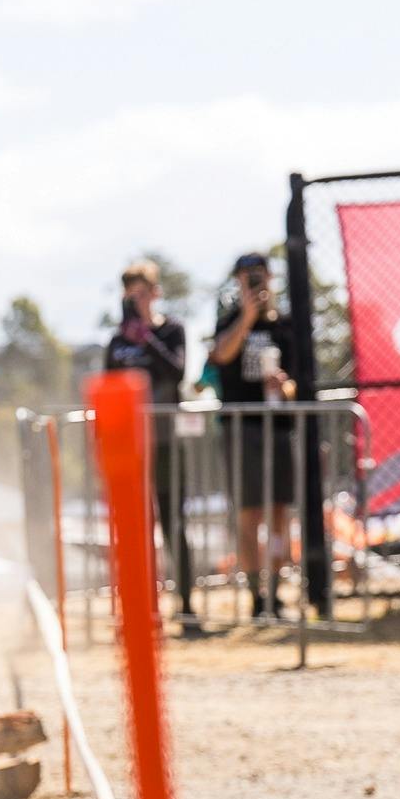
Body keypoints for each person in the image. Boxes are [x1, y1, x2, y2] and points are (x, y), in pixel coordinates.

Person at [207, 251, 300, 620]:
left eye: (259, 276)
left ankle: (277, 592)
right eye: (246, 278)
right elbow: (220, 356)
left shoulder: (286, 326)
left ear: (270, 277)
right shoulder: (229, 322)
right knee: (248, 515)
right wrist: (246, 317)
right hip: (241, 429)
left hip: (277, 427)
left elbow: (297, 383)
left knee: (278, 512)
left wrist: (284, 386)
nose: (254, 283)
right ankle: (254, 595)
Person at [104, 259, 196, 630]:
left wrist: (148, 338)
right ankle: (143, 609)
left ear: (154, 293)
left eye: (141, 293)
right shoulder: (116, 341)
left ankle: (187, 605)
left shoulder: (172, 330)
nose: (135, 300)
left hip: (166, 441)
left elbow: (176, 372)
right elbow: (109, 387)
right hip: (130, 447)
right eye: (130, 295)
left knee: (174, 524)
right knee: (136, 528)